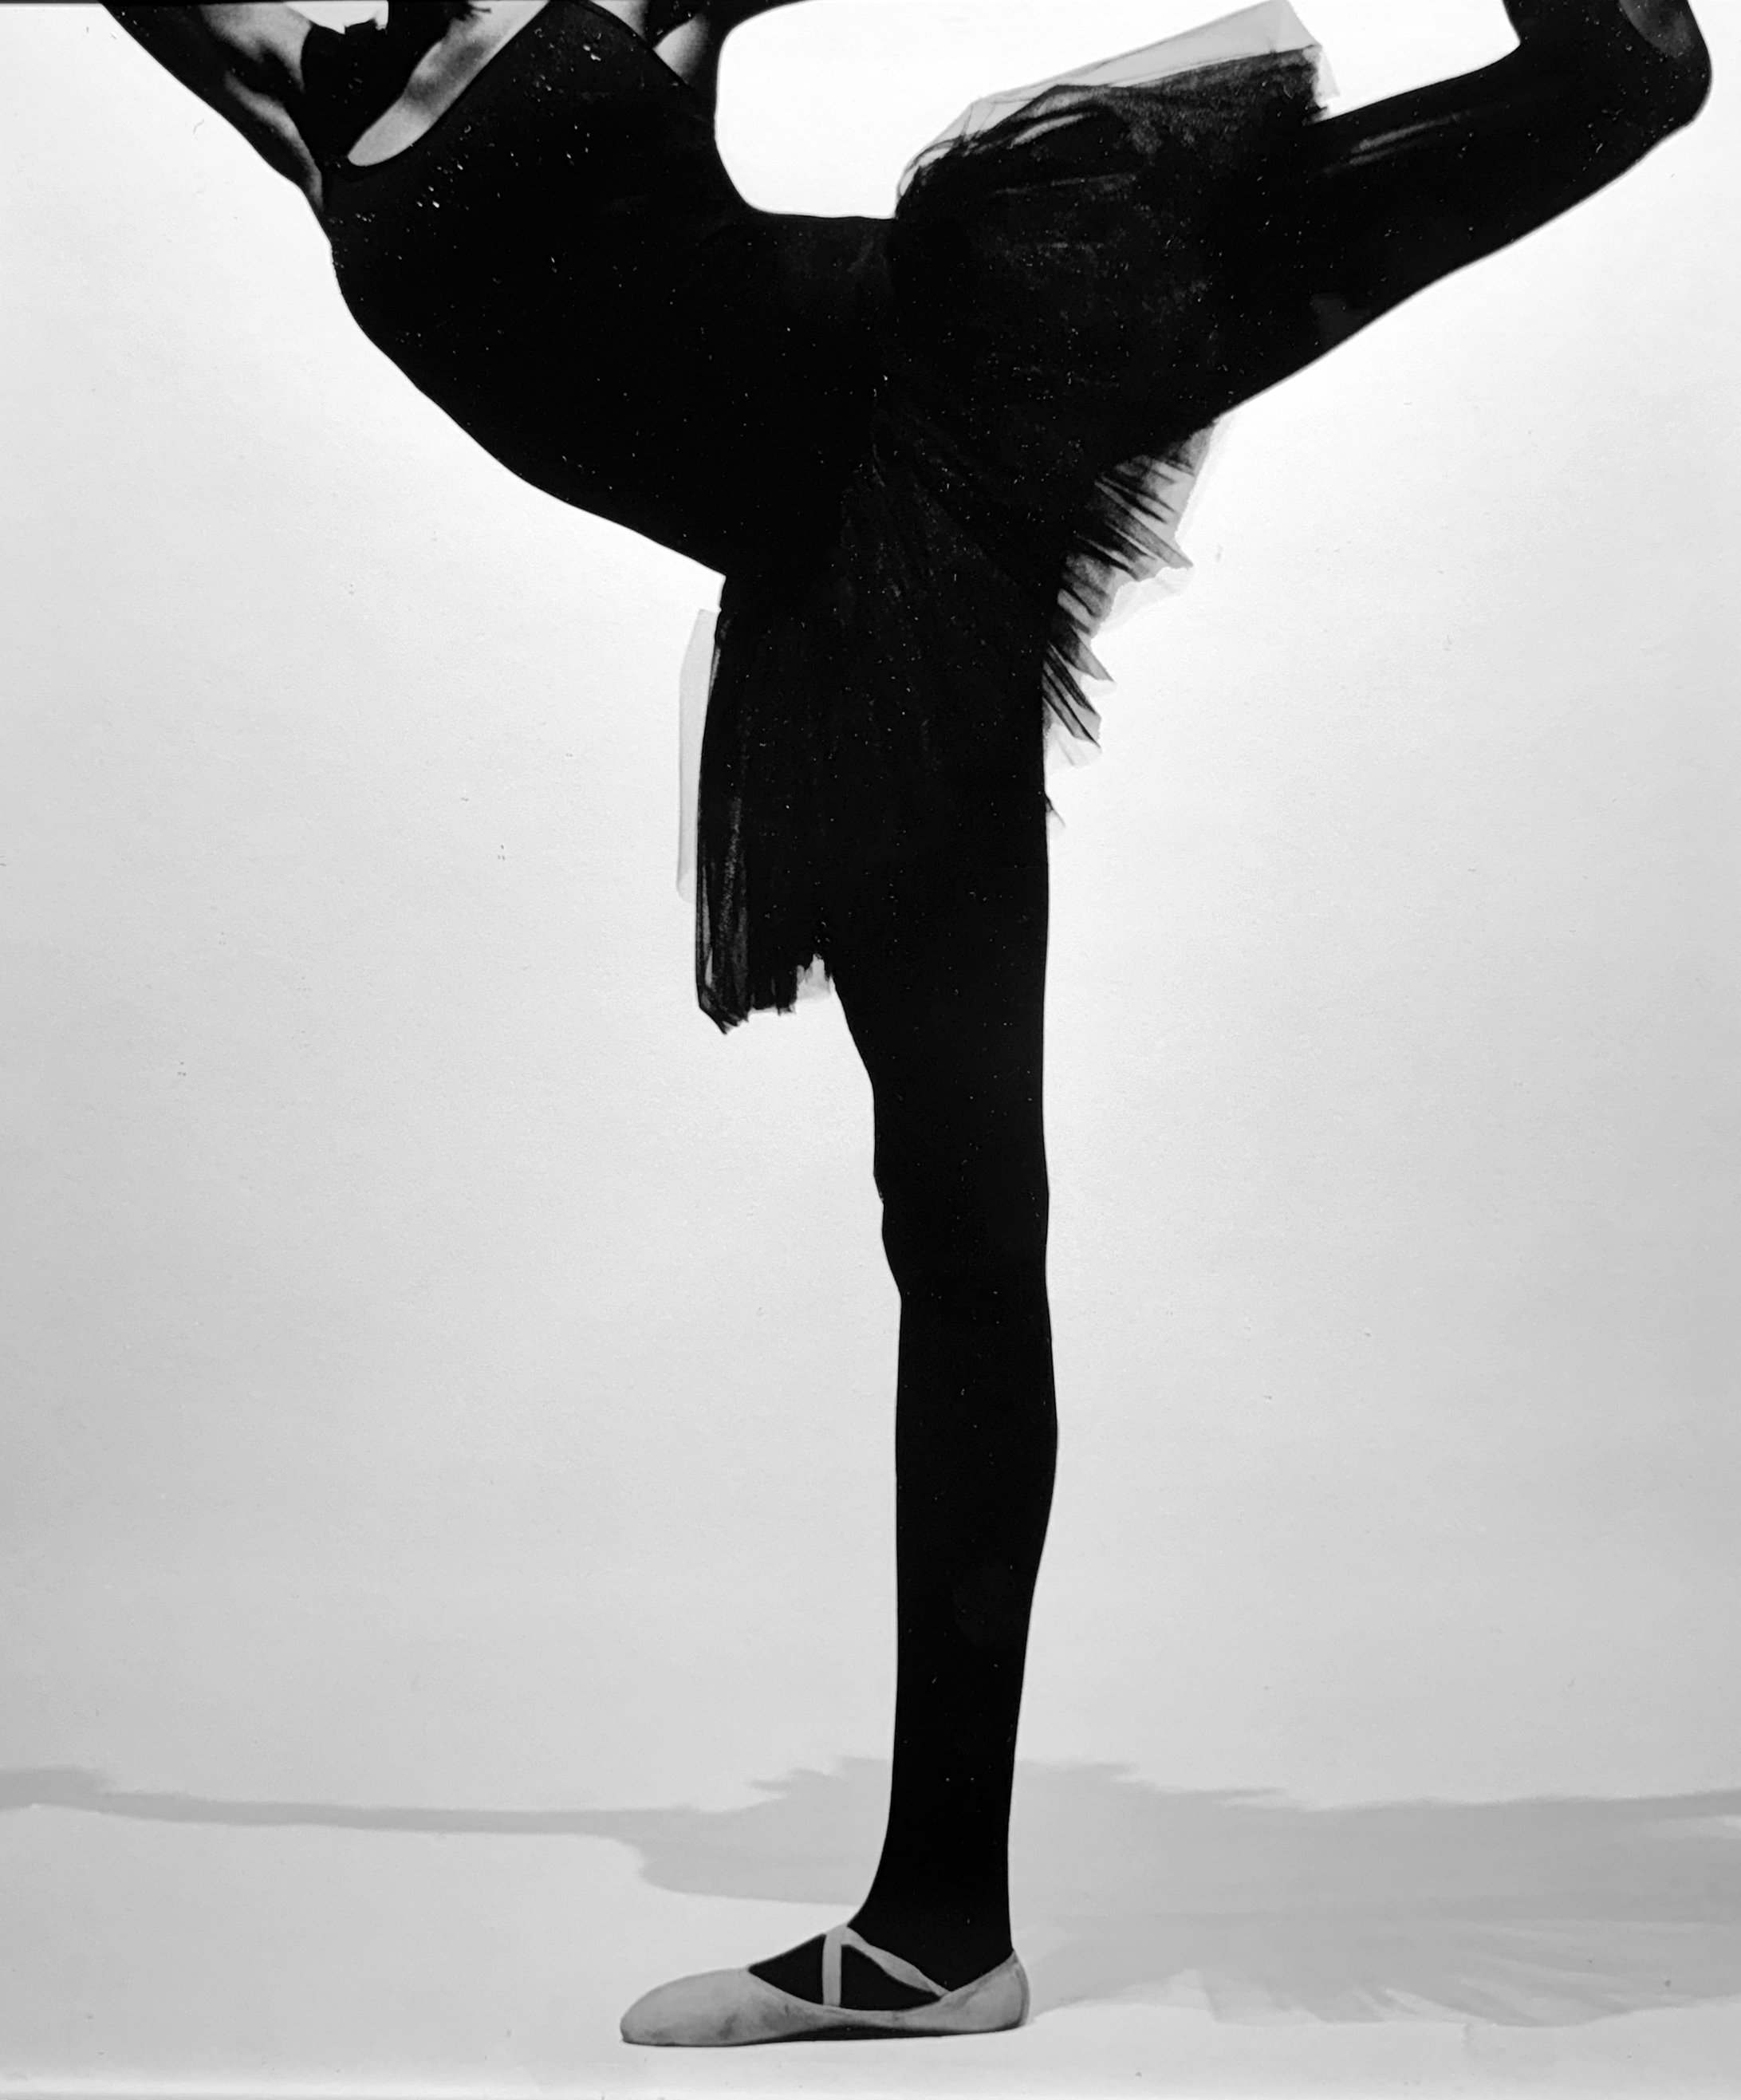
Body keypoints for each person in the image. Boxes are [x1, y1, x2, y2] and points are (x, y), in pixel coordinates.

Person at [102, 0, 1711, 2048]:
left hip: (969, 352)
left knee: (1610, 84)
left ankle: (940, 1918)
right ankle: (947, 1930)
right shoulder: (287, 92)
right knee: (960, 1237)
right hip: (859, 601)